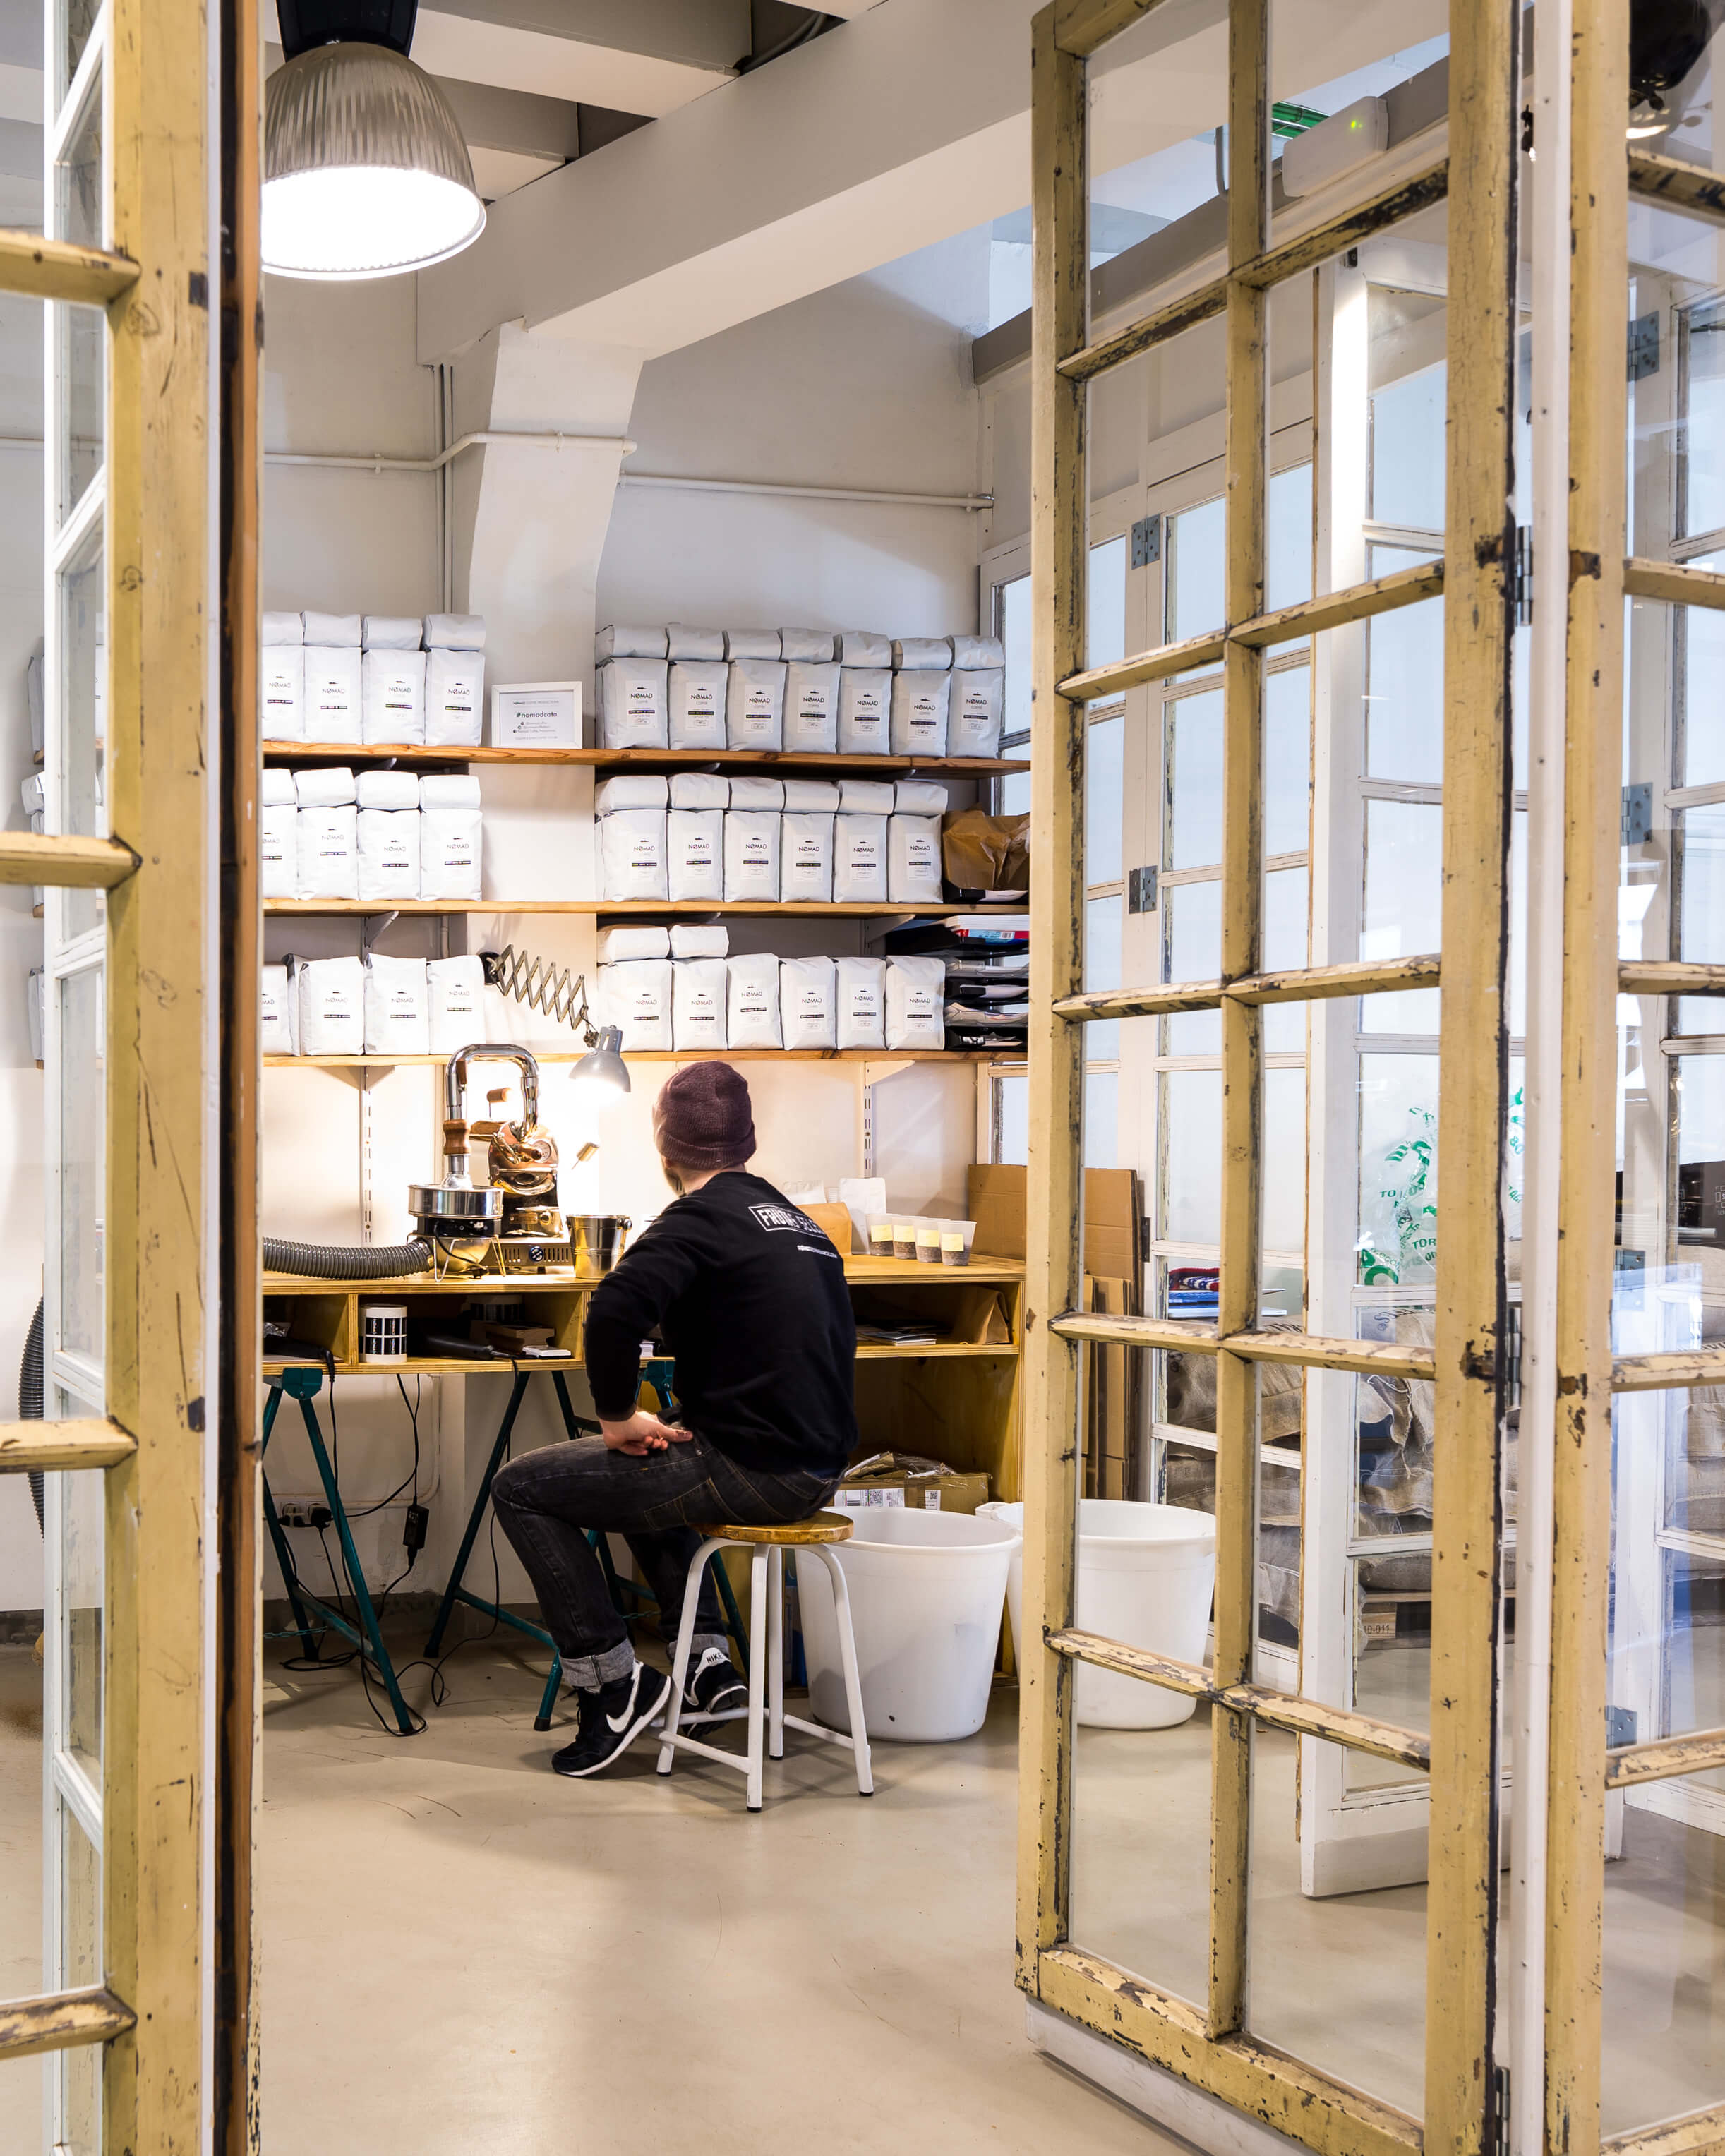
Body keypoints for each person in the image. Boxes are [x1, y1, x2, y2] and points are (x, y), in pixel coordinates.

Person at [491, 1060, 858, 1778]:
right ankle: (705, 1665)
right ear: (746, 1144)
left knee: (520, 1488)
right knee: (646, 1465)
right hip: (817, 1466)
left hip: (753, 1469)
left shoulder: (697, 1218)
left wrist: (616, 1413)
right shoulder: (795, 1220)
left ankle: (613, 1685)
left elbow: (614, 1308)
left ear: (664, 1150)